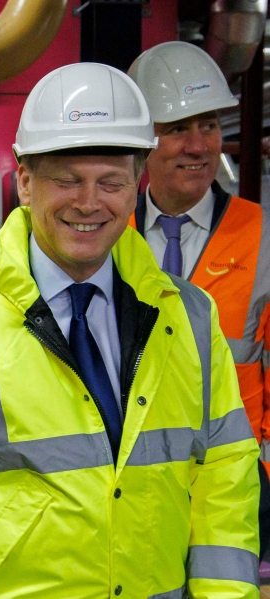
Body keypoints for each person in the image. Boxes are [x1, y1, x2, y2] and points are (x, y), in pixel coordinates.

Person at [0, 62, 259, 599]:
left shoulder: (189, 315)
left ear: (136, 185)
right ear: (25, 182)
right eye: (67, 180)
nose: (89, 203)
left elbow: (223, 479)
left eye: (111, 182)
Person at [129, 40, 270, 559]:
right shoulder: (106, 236)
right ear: (143, 140)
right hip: (133, 482)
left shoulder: (262, 234)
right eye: (176, 129)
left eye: (208, 125)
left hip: (235, 481)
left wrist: (263, 473)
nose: (198, 145)